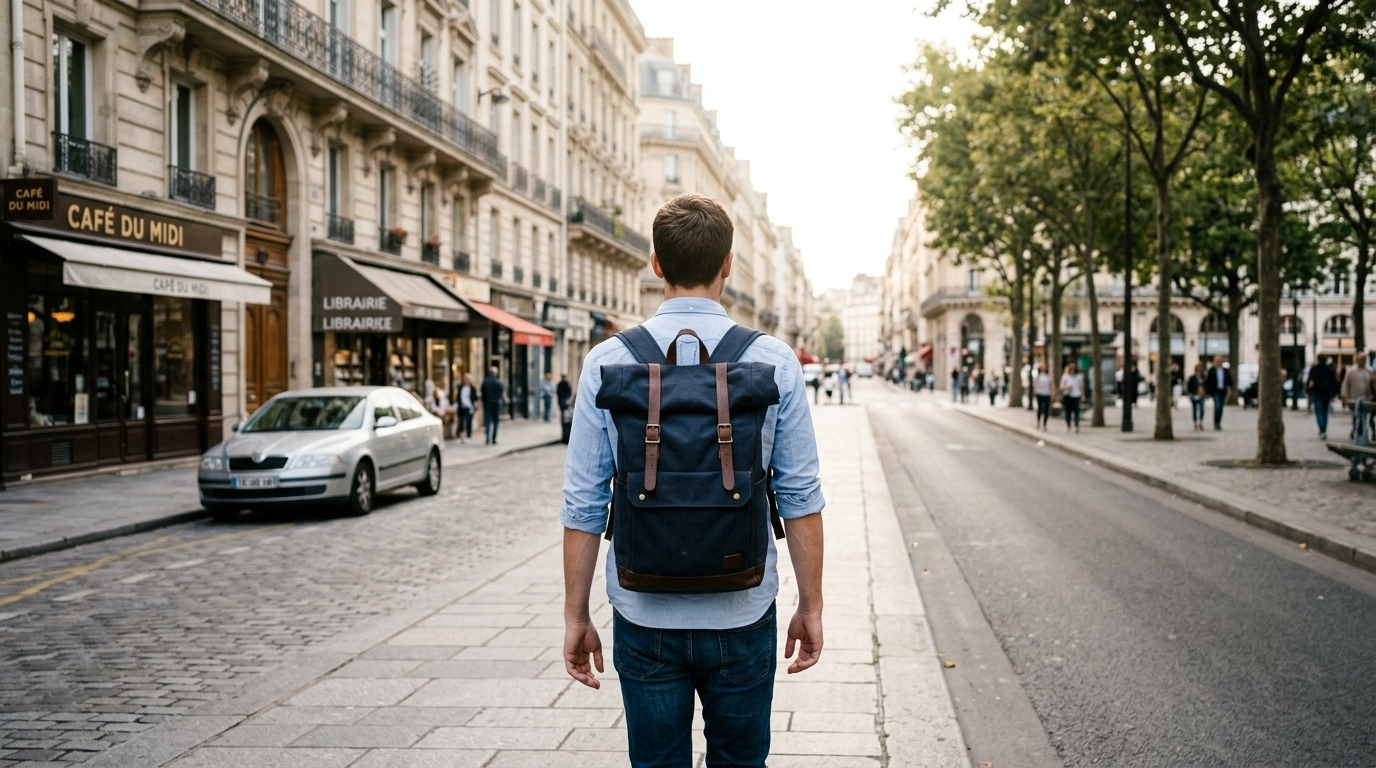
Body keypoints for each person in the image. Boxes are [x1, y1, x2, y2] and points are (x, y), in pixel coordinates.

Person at [561, 194, 825, 768]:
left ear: (655, 263)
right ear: (728, 263)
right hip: (744, 608)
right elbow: (800, 497)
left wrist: (576, 617)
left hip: (641, 609)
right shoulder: (774, 360)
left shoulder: (606, 360)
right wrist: (812, 603)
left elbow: (583, 503)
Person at [1306, 357, 1340, 439]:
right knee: (1325, 413)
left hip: (1317, 393)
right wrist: (1334, 394)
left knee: (1319, 412)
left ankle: (1322, 429)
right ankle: (1323, 429)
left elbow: (1311, 382)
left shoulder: (1314, 369)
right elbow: (1334, 382)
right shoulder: (1330, 370)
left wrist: (1308, 391)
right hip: (1326, 393)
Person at [1203, 355, 1232, 431]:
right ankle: (1216, 423)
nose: (1218, 362)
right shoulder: (1211, 370)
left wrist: (1229, 390)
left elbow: (1229, 381)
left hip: (1223, 391)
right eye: (1217, 360)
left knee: (1221, 407)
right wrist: (1207, 392)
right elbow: (1208, 382)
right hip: (1215, 391)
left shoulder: (1225, 370)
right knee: (1217, 406)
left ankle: (1218, 422)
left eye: (1220, 360)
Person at [480, 366, 505, 444]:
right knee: (495, 421)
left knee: (487, 421)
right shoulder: (498, 382)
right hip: (496, 404)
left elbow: (481, 393)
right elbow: (502, 394)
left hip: (487, 403)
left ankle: (487, 437)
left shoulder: (485, 382)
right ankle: (494, 438)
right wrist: (505, 400)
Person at [1061, 363, 1084, 432]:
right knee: (1068, 411)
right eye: (1071, 370)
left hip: (1076, 395)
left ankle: (1076, 425)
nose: (1072, 371)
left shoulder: (1078, 377)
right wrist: (1067, 387)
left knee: (1077, 411)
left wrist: (1083, 395)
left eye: (1074, 370)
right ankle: (1068, 424)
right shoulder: (1065, 376)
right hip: (1068, 395)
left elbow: (1080, 386)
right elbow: (1061, 386)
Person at [1186, 362, 1207, 432]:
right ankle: (1195, 423)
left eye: (1200, 368)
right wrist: (1191, 393)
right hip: (1194, 395)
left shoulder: (1204, 378)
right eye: (1198, 368)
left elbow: (1207, 386)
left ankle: (1200, 422)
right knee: (1194, 410)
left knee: (1202, 409)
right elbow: (1189, 387)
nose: (1199, 369)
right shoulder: (1192, 378)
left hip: (1202, 396)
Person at [456, 373, 476, 443]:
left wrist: (474, 406)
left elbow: (474, 398)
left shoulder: (472, 388)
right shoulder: (461, 387)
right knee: (461, 422)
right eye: (466, 378)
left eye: (468, 379)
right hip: (462, 407)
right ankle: (461, 436)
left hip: (469, 407)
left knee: (468, 422)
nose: (467, 380)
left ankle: (468, 436)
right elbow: (458, 397)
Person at [1034, 363, 1053, 430]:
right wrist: (1035, 391)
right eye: (1042, 367)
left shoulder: (1048, 376)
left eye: (1045, 367)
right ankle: (1038, 422)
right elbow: (1035, 384)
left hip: (1047, 394)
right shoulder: (1038, 376)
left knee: (1046, 410)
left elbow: (1051, 385)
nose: (1044, 368)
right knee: (1039, 408)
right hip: (1040, 393)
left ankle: (1044, 424)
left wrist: (1052, 393)